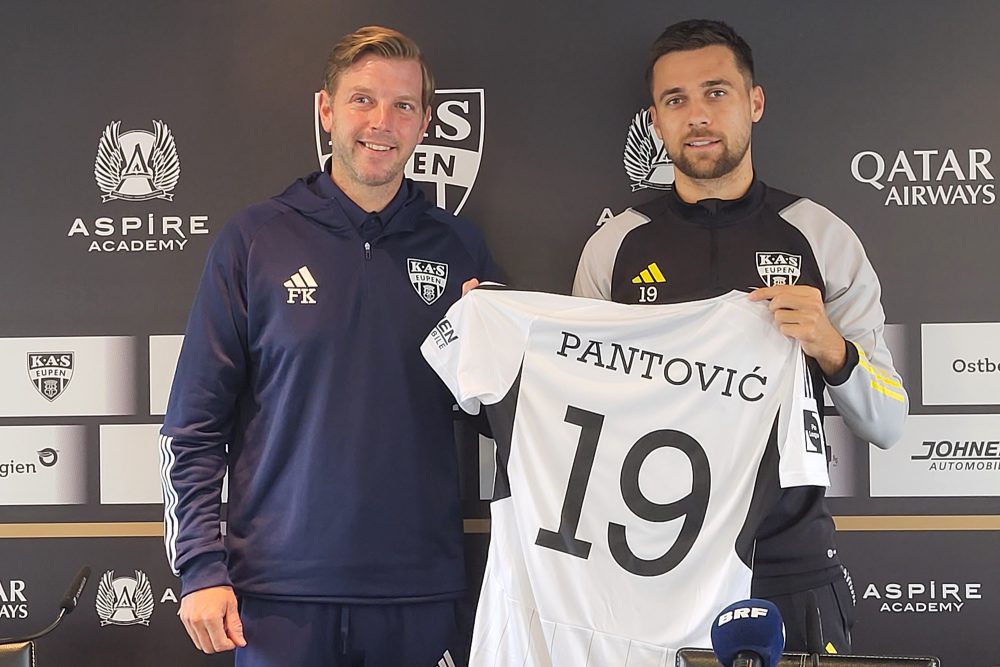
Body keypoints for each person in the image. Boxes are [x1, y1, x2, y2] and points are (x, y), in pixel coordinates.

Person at [159, 25, 497, 667]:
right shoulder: (255, 240)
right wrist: (201, 567)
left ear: (425, 122)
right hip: (278, 598)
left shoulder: (460, 251)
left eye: (403, 105)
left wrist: (496, 348)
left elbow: (506, 416)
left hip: (418, 594)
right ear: (326, 110)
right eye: (363, 100)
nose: (382, 122)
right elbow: (193, 426)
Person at [573, 19, 907, 653]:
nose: (697, 115)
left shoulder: (820, 235)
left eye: (716, 92)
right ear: (655, 119)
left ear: (754, 102)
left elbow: (889, 422)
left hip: (790, 569)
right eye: (676, 100)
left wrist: (833, 349)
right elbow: (577, 409)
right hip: (652, 566)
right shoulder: (614, 245)